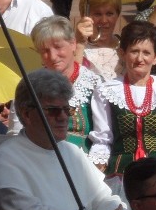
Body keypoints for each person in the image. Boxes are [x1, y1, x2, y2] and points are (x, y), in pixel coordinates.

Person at [0, 69, 133, 210]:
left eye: (67, 109)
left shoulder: (72, 152)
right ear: (26, 114)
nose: (64, 117)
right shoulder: (4, 160)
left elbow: (104, 198)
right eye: (53, 110)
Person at [88, 21, 156, 210]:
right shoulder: (106, 90)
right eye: (134, 51)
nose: (140, 58)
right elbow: (102, 141)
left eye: (146, 53)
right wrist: (95, 190)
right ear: (122, 54)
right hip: (122, 178)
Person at [24, 15, 101, 151]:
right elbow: (17, 131)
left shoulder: (94, 83)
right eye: (45, 51)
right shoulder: (30, 86)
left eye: (58, 47)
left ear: (73, 44)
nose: (53, 56)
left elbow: (104, 135)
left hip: (84, 162)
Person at [75, 0, 123, 80]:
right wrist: (79, 44)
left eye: (109, 14)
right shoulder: (76, 48)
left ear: (117, 15)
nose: (104, 20)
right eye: (97, 14)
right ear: (84, 16)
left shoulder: (125, 46)